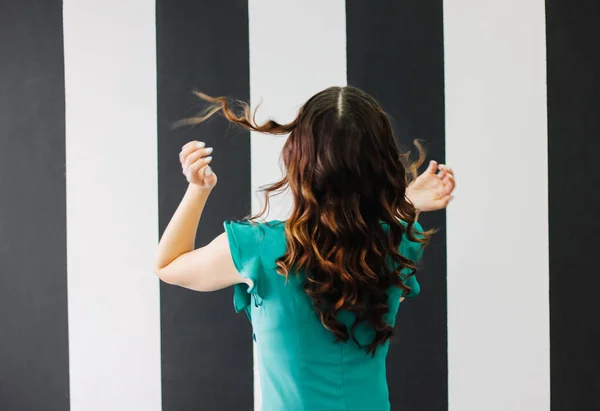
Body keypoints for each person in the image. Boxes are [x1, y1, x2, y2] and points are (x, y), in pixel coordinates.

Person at [154, 86, 455, 411]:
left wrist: (198, 190)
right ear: (381, 162)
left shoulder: (257, 249)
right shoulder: (400, 242)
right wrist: (405, 202)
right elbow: (366, 230)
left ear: (298, 157)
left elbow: (168, 265)